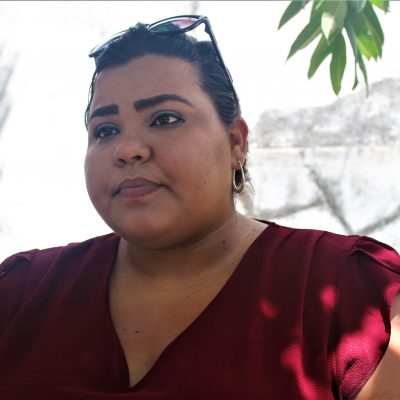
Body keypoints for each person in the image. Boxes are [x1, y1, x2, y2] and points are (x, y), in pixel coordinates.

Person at [0, 15, 399, 400]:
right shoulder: (20, 292)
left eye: (165, 119)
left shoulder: (355, 294)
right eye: (105, 130)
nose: (128, 149)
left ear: (236, 142)